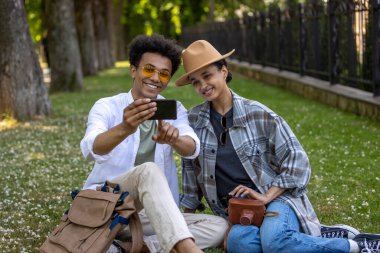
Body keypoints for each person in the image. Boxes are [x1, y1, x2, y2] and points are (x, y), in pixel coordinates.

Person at [175, 40, 380, 253]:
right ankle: (309, 235)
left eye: (207, 76)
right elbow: (190, 174)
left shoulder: (259, 115)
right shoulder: (194, 121)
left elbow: (297, 161)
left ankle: (358, 246)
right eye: (195, 82)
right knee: (239, 244)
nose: (203, 86)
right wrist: (184, 226)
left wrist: (265, 196)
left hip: (276, 199)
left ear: (224, 72)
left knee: (273, 242)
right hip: (239, 211)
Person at [80, 35, 228, 253]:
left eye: (164, 73)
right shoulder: (108, 106)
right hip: (108, 206)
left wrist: (175, 139)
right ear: (133, 71)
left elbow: (192, 147)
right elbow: (92, 148)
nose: (156, 78)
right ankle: (188, 250)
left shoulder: (173, 109)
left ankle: (135, 247)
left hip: (152, 214)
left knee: (219, 226)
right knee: (147, 171)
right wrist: (125, 128)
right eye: (149, 70)